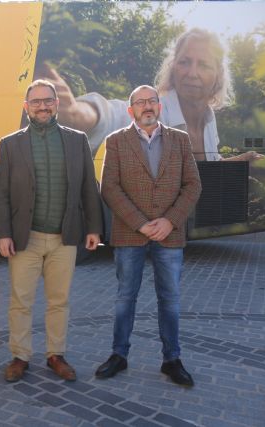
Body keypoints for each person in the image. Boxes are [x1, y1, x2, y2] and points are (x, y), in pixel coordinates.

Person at [0, 79, 103, 383]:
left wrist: (93, 227)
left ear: (56, 103)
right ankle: (20, 356)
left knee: (59, 301)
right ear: (25, 106)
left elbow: (87, 188)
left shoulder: (76, 140)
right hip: (24, 239)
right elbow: (1, 192)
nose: (42, 106)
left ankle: (56, 354)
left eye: (48, 100)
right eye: (36, 101)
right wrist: (2, 233)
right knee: (21, 301)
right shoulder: (10, 143)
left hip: (64, 238)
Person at [96, 85, 201, 386]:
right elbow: (110, 188)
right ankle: (119, 354)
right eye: (140, 103)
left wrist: (169, 220)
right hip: (130, 234)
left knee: (169, 299)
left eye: (151, 101)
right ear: (130, 111)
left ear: (159, 106)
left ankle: (172, 359)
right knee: (125, 298)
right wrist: (141, 224)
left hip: (170, 235)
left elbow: (193, 185)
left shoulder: (180, 141)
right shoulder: (115, 141)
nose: (146, 107)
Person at [40, 28, 265, 162]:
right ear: (174, 68)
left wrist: (239, 162)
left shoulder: (208, 118)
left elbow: (207, 166)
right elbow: (113, 115)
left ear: (218, 75)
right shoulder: (153, 108)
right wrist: (78, 113)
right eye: (184, 62)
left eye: (203, 65)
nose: (192, 73)